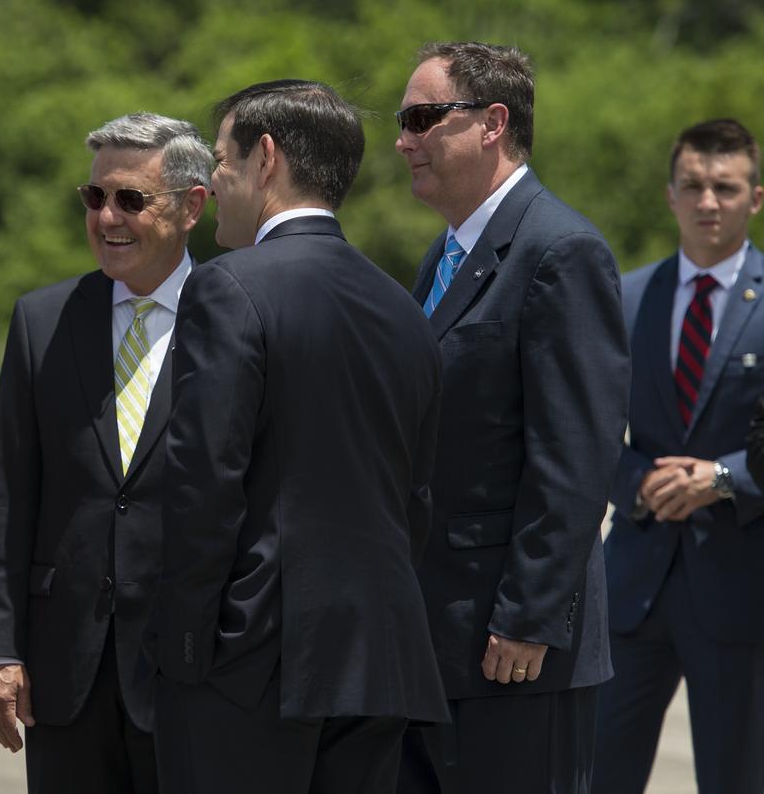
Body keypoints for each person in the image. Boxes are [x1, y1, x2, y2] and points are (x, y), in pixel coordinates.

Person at [145, 80, 448, 794]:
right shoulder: (403, 308)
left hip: (253, 665)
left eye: (221, 158)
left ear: (266, 158)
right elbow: (417, 496)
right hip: (381, 662)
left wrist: (183, 648)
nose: (213, 182)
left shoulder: (229, 288)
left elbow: (202, 484)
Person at [391, 42, 630, 794]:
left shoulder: (561, 250)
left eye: (423, 118)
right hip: (436, 640)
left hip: (513, 653)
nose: (403, 140)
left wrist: (528, 615)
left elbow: (575, 457)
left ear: (493, 122)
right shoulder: (446, 254)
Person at [0, 112, 211, 794]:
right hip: (63, 670)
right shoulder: (42, 321)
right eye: (94, 197)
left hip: (192, 670)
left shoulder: (239, 317)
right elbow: (8, 496)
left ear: (192, 205)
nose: (107, 216)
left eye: (131, 198)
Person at [597, 118, 764, 794]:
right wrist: (638, 479)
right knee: (593, 774)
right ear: (669, 195)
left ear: (755, 197)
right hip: (633, 581)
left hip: (741, 584)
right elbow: (585, 426)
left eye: (725, 187)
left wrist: (725, 477)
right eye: (692, 185)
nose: (707, 202)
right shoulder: (626, 295)